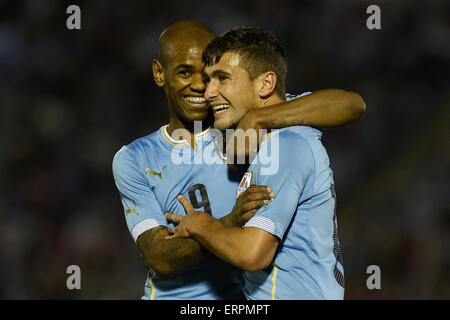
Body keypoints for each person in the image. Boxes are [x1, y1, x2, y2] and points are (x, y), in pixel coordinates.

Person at [113, 21, 365, 300]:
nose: (201, 86)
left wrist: (259, 118)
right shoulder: (135, 158)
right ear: (160, 73)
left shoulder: (241, 119)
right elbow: (158, 256)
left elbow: (351, 105)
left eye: (210, 76)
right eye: (186, 72)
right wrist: (228, 221)